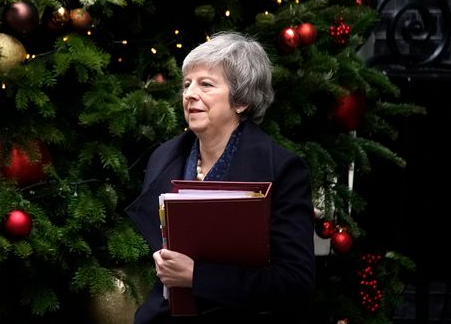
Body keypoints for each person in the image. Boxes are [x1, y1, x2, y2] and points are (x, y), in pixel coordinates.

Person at [125, 31, 316, 323]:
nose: (189, 94)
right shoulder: (163, 158)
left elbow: (294, 281)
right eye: (187, 84)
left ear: (241, 101)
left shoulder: (283, 170)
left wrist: (197, 277)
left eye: (206, 84)